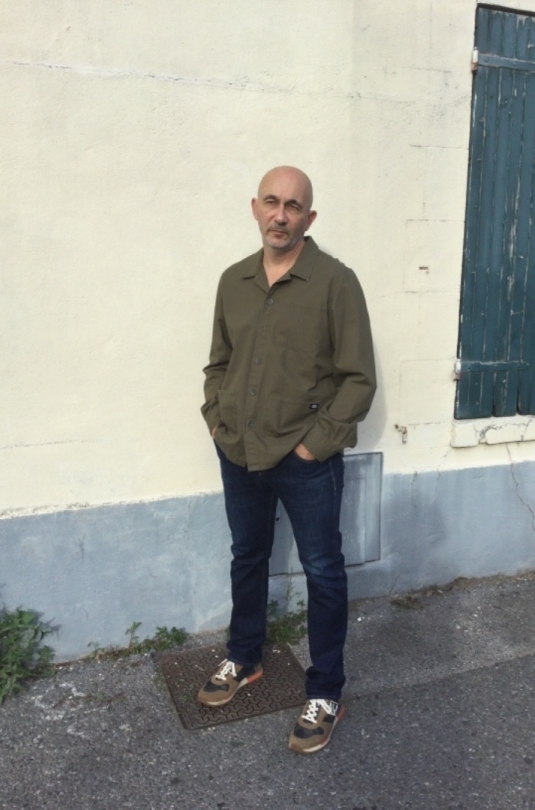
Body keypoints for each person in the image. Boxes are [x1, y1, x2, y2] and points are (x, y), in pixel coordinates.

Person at [199, 166, 376, 754]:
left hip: (305, 459)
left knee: (323, 570)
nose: (281, 215)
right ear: (255, 207)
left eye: (293, 206)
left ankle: (325, 692)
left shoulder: (335, 282)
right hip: (239, 450)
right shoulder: (234, 281)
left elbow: (358, 379)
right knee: (247, 555)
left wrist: (312, 446)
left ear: (309, 217)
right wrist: (217, 420)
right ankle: (244, 656)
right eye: (272, 202)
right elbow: (218, 363)